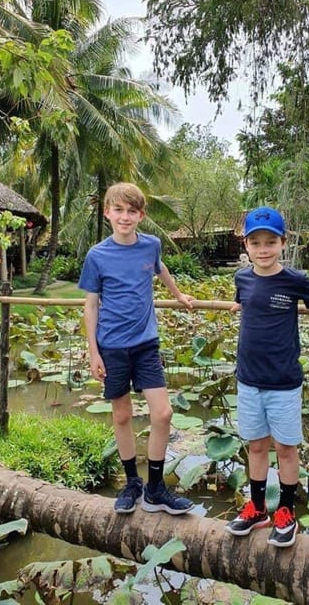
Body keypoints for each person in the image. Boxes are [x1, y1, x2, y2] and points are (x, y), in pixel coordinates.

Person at [225, 206, 309, 547]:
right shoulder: (242, 278)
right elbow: (243, 301)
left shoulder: (294, 280)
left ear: (283, 243)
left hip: (283, 380)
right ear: (247, 245)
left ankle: (285, 511)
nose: (263, 248)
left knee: (285, 448)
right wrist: (238, 306)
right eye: (256, 242)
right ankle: (256, 508)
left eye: (271, 241)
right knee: (255, 446)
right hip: (248, 378)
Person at [78, 182, 195, 516]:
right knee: (122, 414)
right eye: (119, 210)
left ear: (141, 215)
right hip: (112, 346)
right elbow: (91, 306)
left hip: (146, 344)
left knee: (163, 413)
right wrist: (93, 352)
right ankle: (132, 483)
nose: (125, 217)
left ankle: (156, 488)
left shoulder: (151, 245)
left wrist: (178, 296)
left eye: (132, 211)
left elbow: (161, 269)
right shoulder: (97, 255)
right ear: (107, 213)